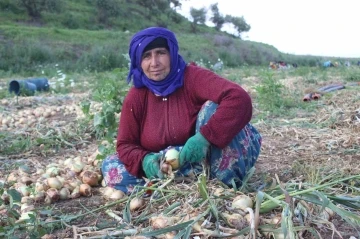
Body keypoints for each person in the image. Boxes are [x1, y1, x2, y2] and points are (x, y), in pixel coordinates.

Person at [101, 27, 262, 193]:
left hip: (211, 152)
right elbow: (125, 144)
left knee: (213, 108)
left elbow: (238, 98)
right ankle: (181, 185)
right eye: (146, 56)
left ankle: (223, 182)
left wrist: (205, 137)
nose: (154, 63)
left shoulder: (192, 77)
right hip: (174, 163)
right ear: (138, 62)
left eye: (161, 53)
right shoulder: (136, 97)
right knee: (111, 166)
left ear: (171, 53)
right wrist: (145, 160)